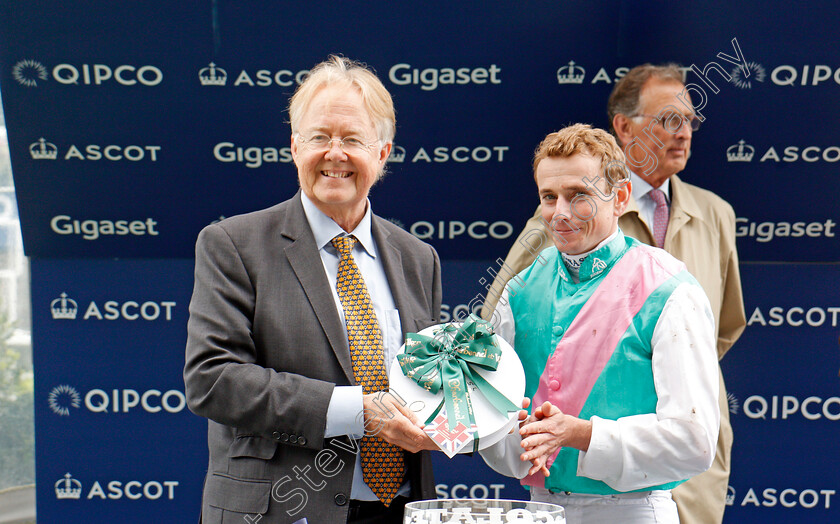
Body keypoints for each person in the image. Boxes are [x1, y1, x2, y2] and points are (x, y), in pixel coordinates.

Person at [481, 63, 746, 524]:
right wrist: (507, 436)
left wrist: (583, 434)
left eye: (580, 194)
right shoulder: (520, 291)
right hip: (539, 509)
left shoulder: (671, 287)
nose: (561, 214)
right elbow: (490, 403)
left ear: (620, 197)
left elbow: (694, 439)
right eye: (548, 196)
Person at [184, 55, 441, 524]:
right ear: (294, 147)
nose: (335, 153)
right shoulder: (232, 245)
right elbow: (214, 380)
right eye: (320, 137)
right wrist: (357, 411)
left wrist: (480, 409)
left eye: (352, 139)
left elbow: (430, 379)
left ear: (382, 154)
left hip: (400, 507)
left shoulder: (417, 258)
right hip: (281, 510)